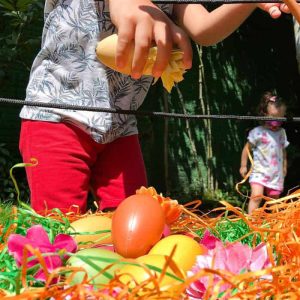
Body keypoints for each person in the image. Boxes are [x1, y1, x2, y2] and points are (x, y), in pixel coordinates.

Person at [19, 0, 292, 214]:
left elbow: (205, 29)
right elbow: (126, 9)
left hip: (121, 126)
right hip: (56, 116)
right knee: (57, 234)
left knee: (135, 234)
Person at [240, 91, 289, 214]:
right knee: (256, 196)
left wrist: (284, 167)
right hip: (259, 172)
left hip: (275, 174)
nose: (276, 123)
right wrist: (243, 165)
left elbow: (283, 151)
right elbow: (247, 148)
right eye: (273, 118)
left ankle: (275, 224)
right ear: (264, 114)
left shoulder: (281, 133)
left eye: (280, 119)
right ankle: (251, 221)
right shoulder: (258, 132)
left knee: (274, 201)